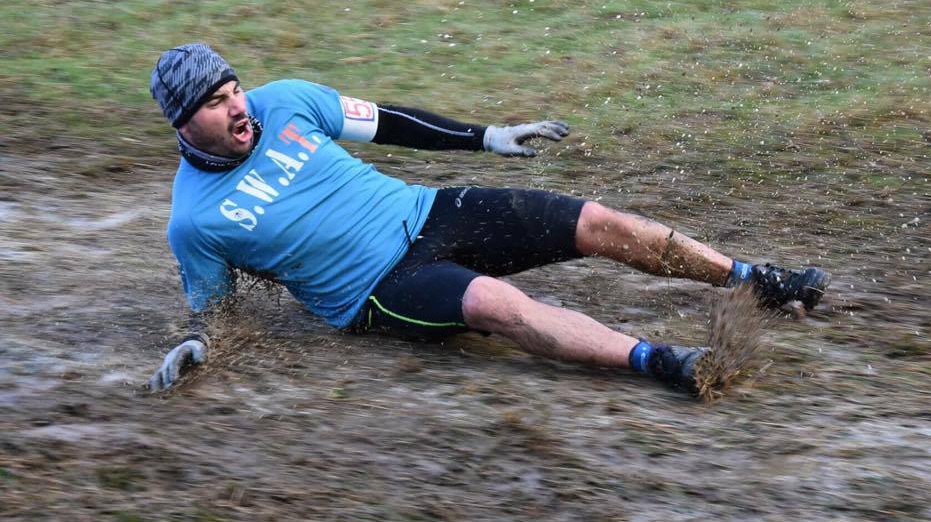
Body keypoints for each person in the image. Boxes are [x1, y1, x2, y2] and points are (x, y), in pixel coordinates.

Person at [147, 43, 830, 396]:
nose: (238, 108)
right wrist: (199, 345)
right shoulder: (196, 220)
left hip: (425, 212)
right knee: (497, 304)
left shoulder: (289, 101)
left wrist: (488, 137)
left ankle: (757, 279)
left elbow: (390, 122)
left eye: (235, 89)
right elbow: (216, 309)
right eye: (215, 103)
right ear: (183, 122)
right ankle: (665, 363)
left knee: (598, 221)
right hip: (378, 290)